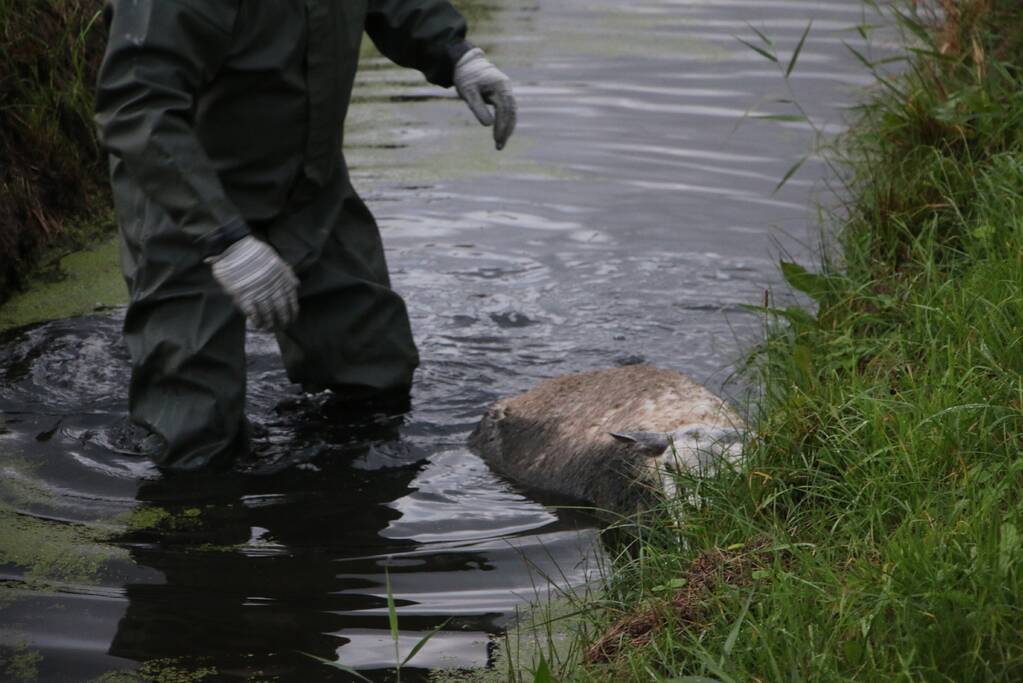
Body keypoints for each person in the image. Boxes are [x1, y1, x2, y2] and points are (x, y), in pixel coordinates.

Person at [94, 0, 516, 472]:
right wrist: (225, 239)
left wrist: (454, 51)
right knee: (195, 442)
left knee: (374, 378)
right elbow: (136, 104)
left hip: (310, 189)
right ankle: (197, 535)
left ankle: (332, 526)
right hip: (186, 201)